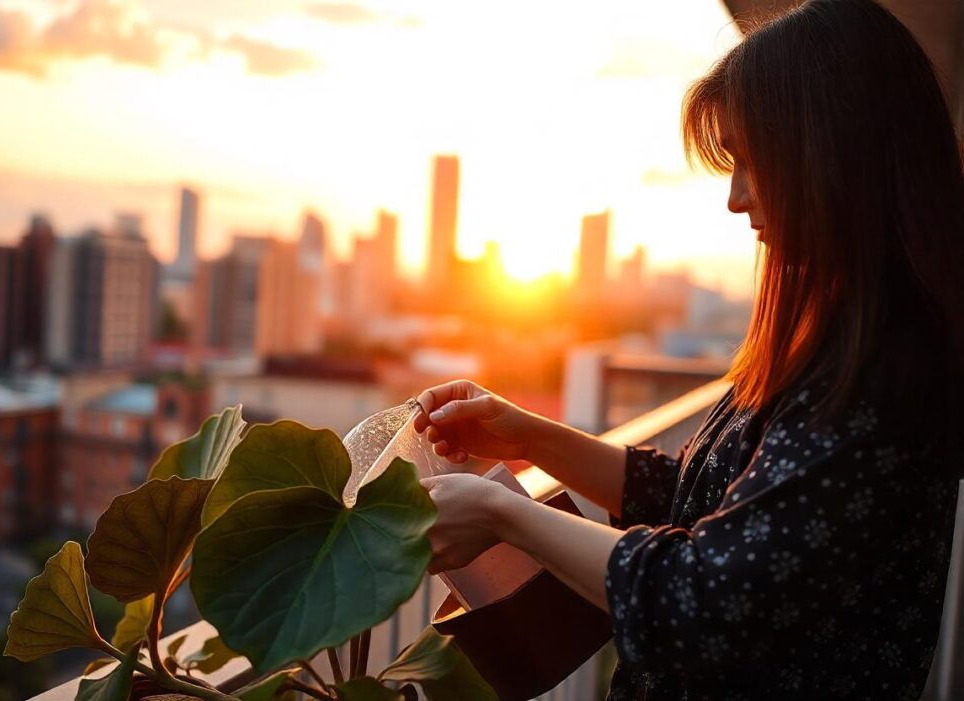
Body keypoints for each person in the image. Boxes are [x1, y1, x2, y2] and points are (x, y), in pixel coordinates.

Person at [413, 0, 964, 698]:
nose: (735, 199)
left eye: (750, 161)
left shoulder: (879, 376)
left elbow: (701, 597)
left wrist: (505, 515)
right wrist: (521, 430)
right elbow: (689, 493)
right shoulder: (842, 336)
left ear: (832, 153)